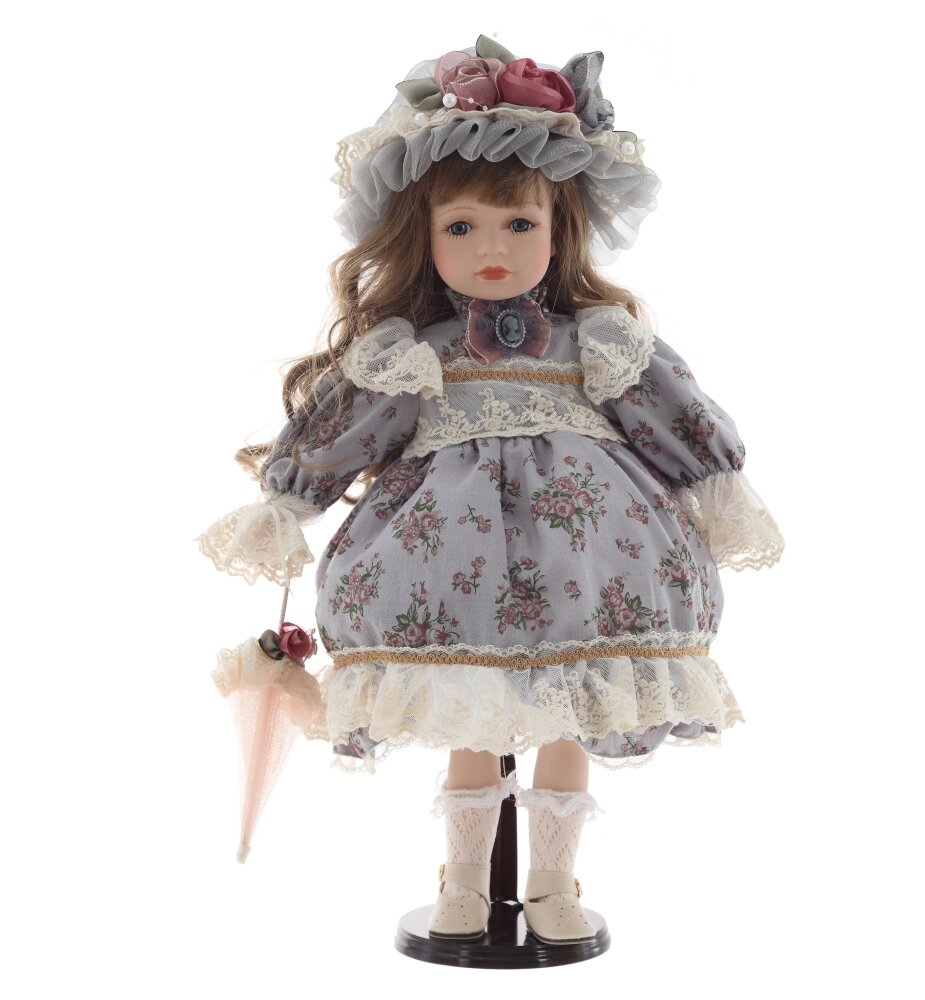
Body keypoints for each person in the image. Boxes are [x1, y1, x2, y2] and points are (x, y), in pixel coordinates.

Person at [199, 35, 785, 945]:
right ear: (425, 237)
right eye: (463, 228)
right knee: (473, 717)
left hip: (590, 565)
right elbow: (351, 425)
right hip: (449, 567)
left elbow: (673, 416)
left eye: (519, 225)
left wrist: (718, 486)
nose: (494, 249)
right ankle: (465, 879)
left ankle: (552, 879)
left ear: (558, 230)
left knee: (565, 719)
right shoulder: (413, 354)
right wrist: (289, 501)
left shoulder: (598, 342)